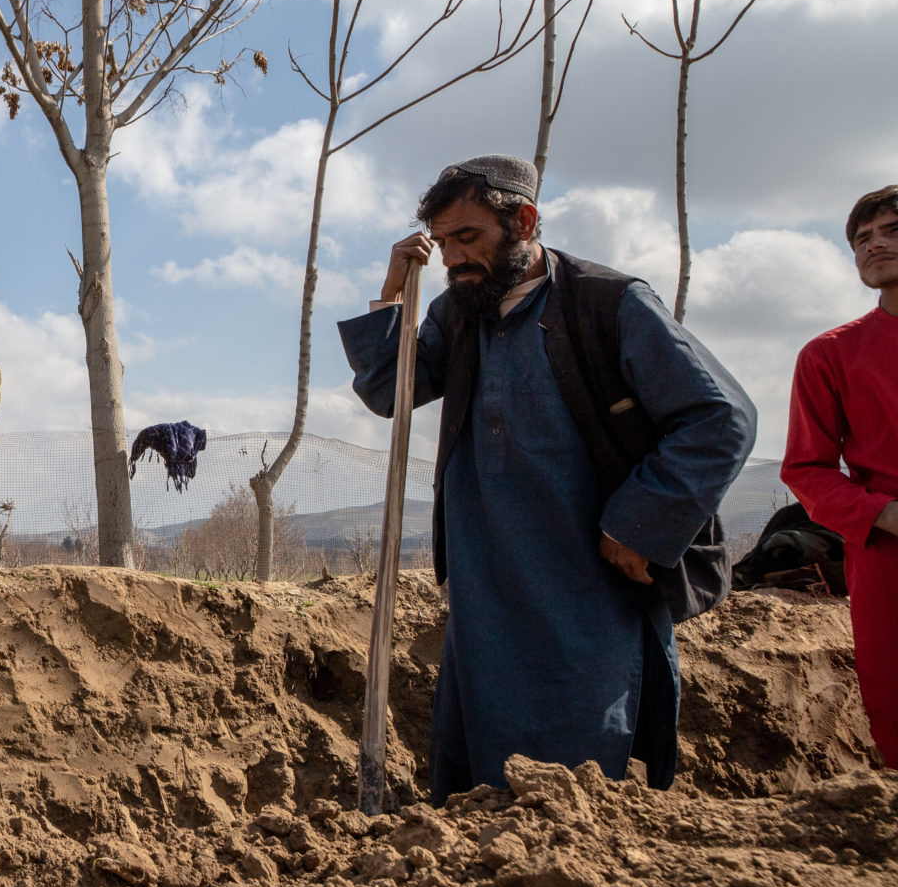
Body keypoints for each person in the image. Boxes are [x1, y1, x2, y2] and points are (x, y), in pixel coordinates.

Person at [340, 155, 756, 802]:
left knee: (578, 778)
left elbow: (721, 417)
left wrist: (640, 521)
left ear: (524, 220)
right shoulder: (460, 313)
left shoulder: (608, 303)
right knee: (474, 780)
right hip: (484, 591)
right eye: (443, 242)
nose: (452, 258)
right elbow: (388, 392)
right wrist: (394, 293)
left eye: (468, 238)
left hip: (585, 593)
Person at [781, 185, 898, 764]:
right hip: (888, 555)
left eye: (892, 231)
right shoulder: (829, 355)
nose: (874, 244)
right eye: (861, 239)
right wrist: (882, 514)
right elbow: (805, 468)